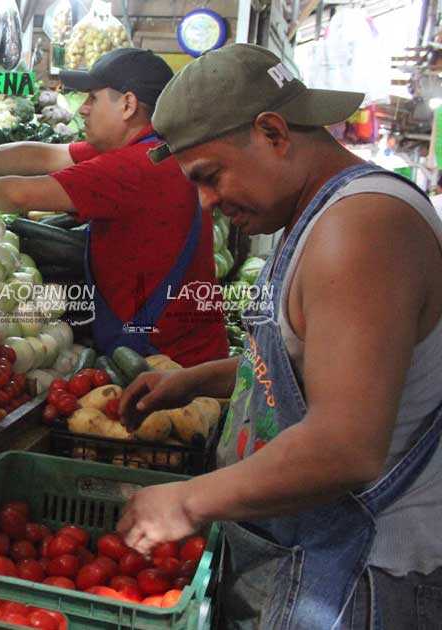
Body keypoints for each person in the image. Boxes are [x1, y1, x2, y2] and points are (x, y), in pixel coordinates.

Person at [115, 43, 442, 629]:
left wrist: (188, 501)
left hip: (362, 581)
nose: (206, 202)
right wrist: (196, 380)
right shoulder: (318, 217)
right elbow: (308, 368)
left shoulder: (361, 228)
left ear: (273, 132)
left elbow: (346, 444)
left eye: (210, 177)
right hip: (314, 558)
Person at [0, 48, 228, 367]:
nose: (83, 110)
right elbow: (41, 156)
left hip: (173, 366)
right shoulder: (156, 151)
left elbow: (20, 195)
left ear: (128, 105)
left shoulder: (134, 168)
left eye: (92, 98)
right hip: (170, 351)